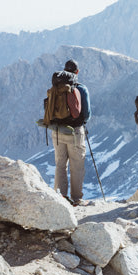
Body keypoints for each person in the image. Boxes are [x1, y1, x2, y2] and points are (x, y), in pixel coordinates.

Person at [45, 59, 91, 206]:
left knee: (60, 164)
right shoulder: (81, 88)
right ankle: (76, 199)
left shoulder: (56, 87)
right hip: (74, 133)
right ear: (77, 72)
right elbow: (87, 114)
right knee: (76, 166)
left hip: (57, 132)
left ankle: (61, 197)